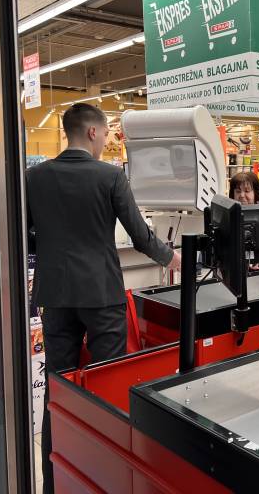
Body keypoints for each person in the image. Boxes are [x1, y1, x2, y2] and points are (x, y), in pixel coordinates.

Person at [26, 103, 181, 494]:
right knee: (105, 385)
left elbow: (25, 234)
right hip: (101, 294)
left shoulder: (34, 177)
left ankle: (53, 483)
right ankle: (100, 478)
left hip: (55, 295)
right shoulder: (110, 176)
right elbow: (140, 235)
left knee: (57, 388)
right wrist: (171, 257)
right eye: (107, 133)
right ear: (93, 132)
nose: (107, 140)